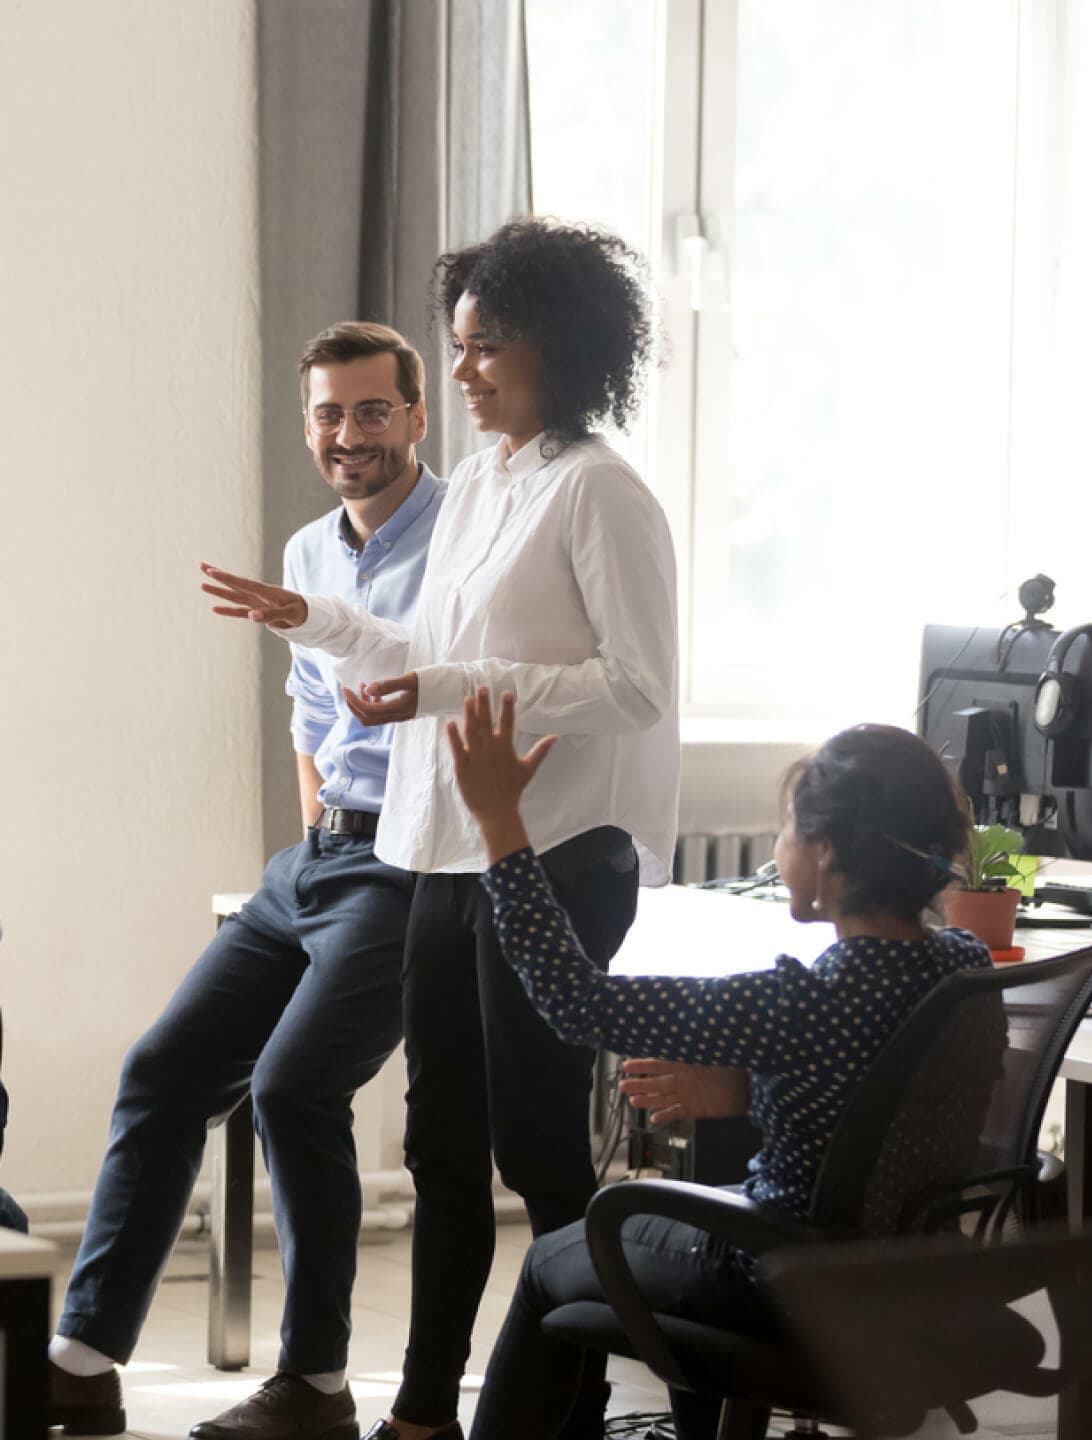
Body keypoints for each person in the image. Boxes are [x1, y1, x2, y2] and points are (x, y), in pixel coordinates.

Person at [199, 218, 680, 1440]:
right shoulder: (487, 485)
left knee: (536, 1151)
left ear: (557, 347)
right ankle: (424, 1409)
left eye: (484, 349)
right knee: (439, 1149)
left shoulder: (601, 490)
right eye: (457, 348)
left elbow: (634, 687)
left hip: (558, 850)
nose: (461, 372)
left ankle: (568, 1405)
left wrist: (456, 689)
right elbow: (430, 652)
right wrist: (317, 617)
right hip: (439, 848)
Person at [48, 322, 445, 1440]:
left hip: (412, 860)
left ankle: (314, 1387)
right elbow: (309, 711)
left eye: (372, 410)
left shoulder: (466, 540)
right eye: (328, 412)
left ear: (418, 416)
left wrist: (362, 836)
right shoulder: (309, 547)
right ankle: (80, 1360)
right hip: (319, 855)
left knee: (292, 1089)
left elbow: (426, 670)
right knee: (164, 1071)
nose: (348, 433)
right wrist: (315, 820)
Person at [442, 695, 991, 1440]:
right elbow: (889, 1097)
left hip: (779, 1272)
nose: (778, 850)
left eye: (788, 831)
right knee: (683, 1209)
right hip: (906, 1266)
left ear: (825, 850)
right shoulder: (963, 964)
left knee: (547, 1264)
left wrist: (500, 827)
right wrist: (751, 1087)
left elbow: (575, 1003)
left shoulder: (802, 1003)